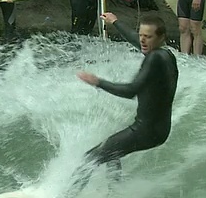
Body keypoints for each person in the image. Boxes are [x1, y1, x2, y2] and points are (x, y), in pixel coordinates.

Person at [67, 12, 178, 196]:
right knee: (111, 153)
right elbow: (137, 41)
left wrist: (98, 82)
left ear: (161, 37)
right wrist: (115, 22)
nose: (142, 40)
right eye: (141, 35)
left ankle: (66, 195)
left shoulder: (154, 58)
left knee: (90, 158)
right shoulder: (166, 54)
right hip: (160, 130)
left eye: (148, 37)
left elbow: (131, 91)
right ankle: (115, 191)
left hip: (146, 130)